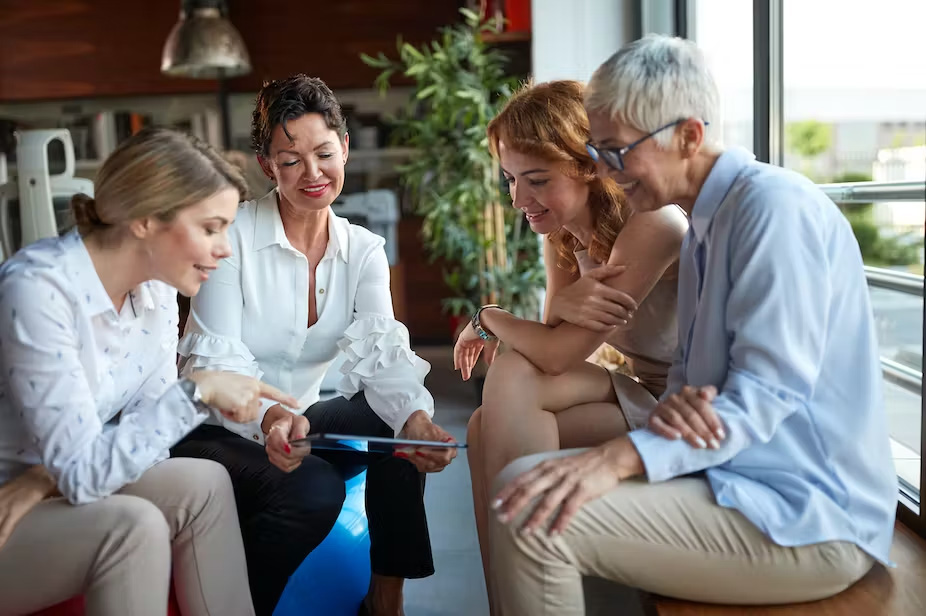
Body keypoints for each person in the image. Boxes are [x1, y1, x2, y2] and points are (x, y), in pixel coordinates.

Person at [487, 34, 897, 615]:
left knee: (529, 508)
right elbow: (693, 389)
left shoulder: (773, 211)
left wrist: (618, 458)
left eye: (615, 150)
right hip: (738, 480)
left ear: (688, 135)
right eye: (597, 150)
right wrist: (676, 414)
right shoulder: (711, 222)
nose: (603, 169)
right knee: (530, 480)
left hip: (807, 517)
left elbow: (764, 394)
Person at [172, 74, 457, 616]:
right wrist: (271, 415)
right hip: (217, 428)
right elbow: (215, 362)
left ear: (344, 148)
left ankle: (386, 598)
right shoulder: (230, 238)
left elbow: (383, 353)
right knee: (318, 489)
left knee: (394, 421)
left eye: (324, 154)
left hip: (296, 423)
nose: (312, 174)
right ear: (266, 165)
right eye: (290, 160)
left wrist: (417, 421)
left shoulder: (363, 250)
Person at [0, 127, 299, 616]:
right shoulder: (38, 292)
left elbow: (148, 443)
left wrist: (41, 477)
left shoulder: (156, 292)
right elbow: (86, 469)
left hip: (45, 490)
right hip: (7, 517)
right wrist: (196, 391)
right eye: (211, 227)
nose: (225, 248)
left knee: (204, 482)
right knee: (132, 526)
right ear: (144, 220)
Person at [453, 80, 689, 603]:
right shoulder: (564, 233)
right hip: (641, 393)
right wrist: (546, 315)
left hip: (691, 413)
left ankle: (527, 595)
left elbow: (556, 354)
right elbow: (548, 349)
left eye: (536, 180)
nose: (518, 200)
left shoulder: (651, 223)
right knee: (481, 422)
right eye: (511, 179)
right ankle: (513, 601)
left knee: (507, 384)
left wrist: (490, 316)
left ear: (589, 166)